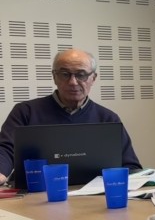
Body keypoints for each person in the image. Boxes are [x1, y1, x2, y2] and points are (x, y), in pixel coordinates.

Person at [0, 48, 141, 183]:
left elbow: (131, 166)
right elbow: (6, 149)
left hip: (93, 195)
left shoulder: (108, 119)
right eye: (64, 74)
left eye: (81, 75)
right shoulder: (26, 112)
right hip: (34, 193)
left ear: (93, 78)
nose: (73, 82)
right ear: (54, 77)